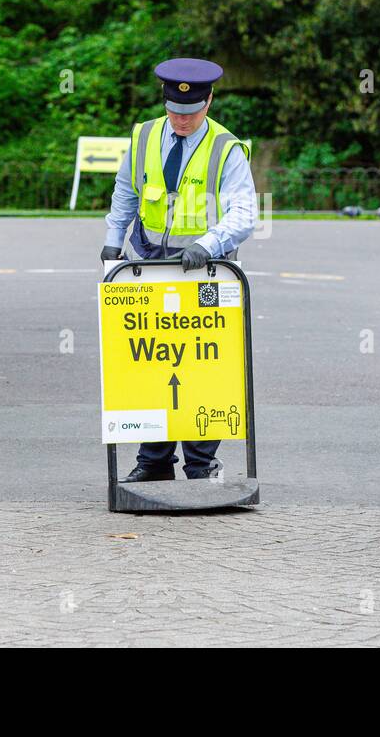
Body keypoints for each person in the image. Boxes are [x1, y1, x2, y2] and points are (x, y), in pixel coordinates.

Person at [102, 57, 258, 482]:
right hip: (149, 265)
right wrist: (113, 241)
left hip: (205, 272)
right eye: (174, 111)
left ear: (209, 101)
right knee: (150, 363)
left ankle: (202, 465)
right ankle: (152, 463)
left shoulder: (227, 148)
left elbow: (244, 213)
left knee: (204, 365)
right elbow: (125, 190)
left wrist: (207, 246)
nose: (182, 120)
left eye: (190, 112)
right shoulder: (145, 135)